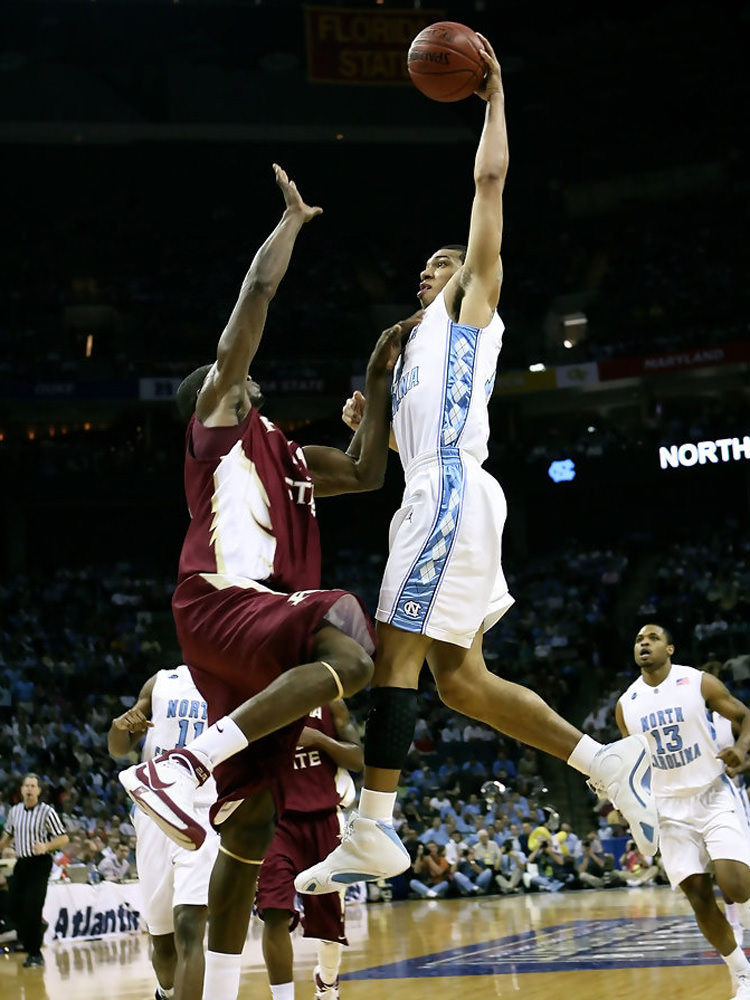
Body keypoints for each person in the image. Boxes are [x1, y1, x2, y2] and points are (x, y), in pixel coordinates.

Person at [294, 33, 658, 899]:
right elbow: (374, 462)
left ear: (470, 278)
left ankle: (376, 827)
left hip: (451, 489)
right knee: (460, 682)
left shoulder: (470, 310)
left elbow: (487, 186)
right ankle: (605, 763)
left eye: (442, 263)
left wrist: (492, 98)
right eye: (423, 267)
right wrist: (372, 403)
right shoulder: (409, 346)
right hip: (435, 490)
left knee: (395, 651)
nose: (429, 270)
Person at [118, 164, 407, 1000]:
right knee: (353, 637)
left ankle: (202, 993)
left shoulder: (285, 449)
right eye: (233, 376)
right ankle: (184, 763)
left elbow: (363, 472)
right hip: (221, 599)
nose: (246, 376)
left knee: (249, 828)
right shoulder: (218, 424)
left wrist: (380, 381)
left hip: (254, 633)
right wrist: (289, 224)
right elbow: (250, 309)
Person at [615, 623, 750, 999]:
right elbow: (634, 763)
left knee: (736, 885)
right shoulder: (626, 704)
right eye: (639, 639)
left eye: (652, 638)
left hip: (712, 793)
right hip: (669, 808)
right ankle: (742, 974)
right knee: (697, 894)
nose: (644, 643)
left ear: (670, 649)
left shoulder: (697, 682)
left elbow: (745, 716)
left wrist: (741, 750)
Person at [108, 665, 220, 1000]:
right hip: (153, 813)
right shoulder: (162, 681)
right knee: (163, 940)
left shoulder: (233, 677)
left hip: (201, 812)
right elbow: (118, 748)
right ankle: (165, 992)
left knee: (190, 930)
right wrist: (119, 728)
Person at [255, 699, 362, 1000]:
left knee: (328, 926)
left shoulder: (331, 702)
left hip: (325, 822)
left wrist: (319, 739)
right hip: (277, 823)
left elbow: (358, 759)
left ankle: (327, 983)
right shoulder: (260, 700)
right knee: (274, 911)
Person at [0, 773, 69, 967]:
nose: (29, 789)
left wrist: (46, 846)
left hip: (40, 863)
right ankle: (30, 936)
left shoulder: (47, 811)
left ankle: (35, 953)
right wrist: (3, 843)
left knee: (32, 906)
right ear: (21, 790)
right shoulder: (14, 811)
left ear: (38, 790)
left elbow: (63, 838)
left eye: (33, 786)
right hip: (22, 862)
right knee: (13, 905)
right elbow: (9, 834)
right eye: (26, 786)